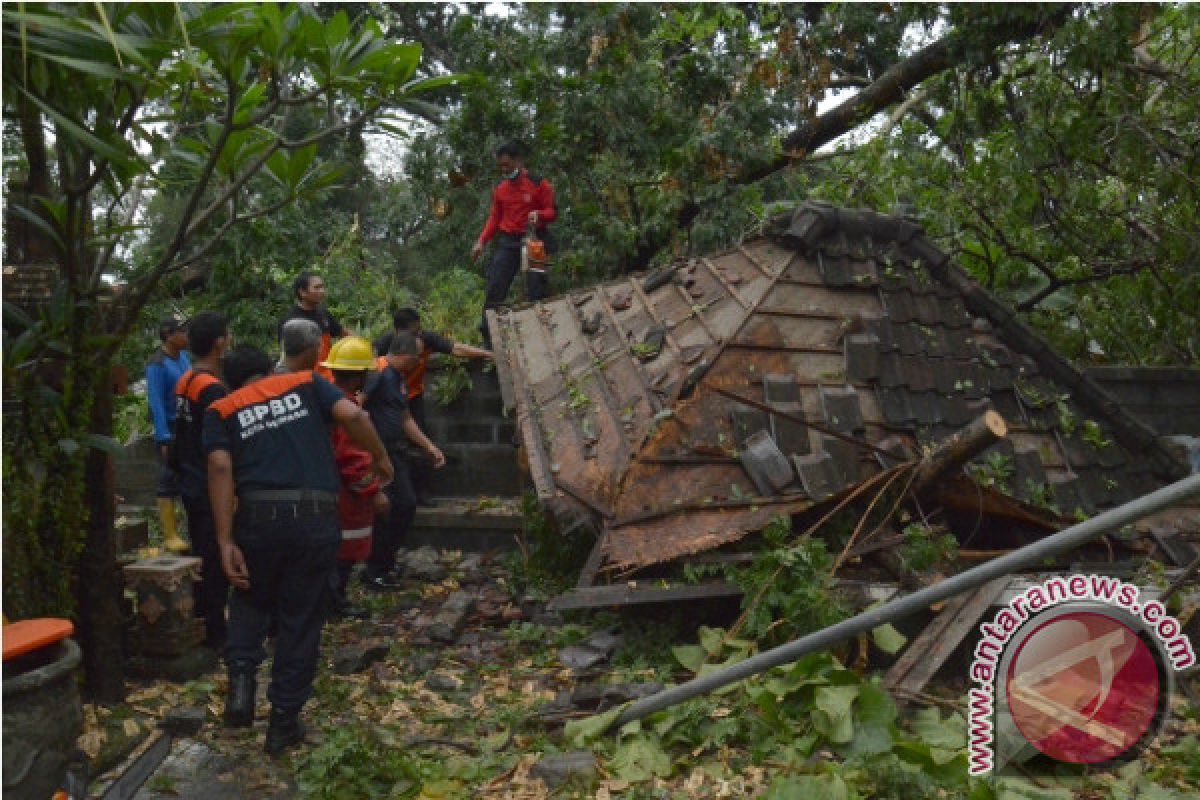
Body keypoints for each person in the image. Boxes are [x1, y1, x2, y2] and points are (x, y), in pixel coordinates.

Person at [205, 346, 393, 755]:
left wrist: (225, 541)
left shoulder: (221, 409)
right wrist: (381, 459)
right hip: (314, 517)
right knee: (300, 619)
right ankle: (282, 724)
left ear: (234, 380)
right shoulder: (308, 383)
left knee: (250, 598)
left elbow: (220, 468)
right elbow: (355, 416)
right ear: (266, 370)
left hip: (257, 519)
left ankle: (241, 684)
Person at [374, 308, 493, 505]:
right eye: (413, 332)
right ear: (398, 334)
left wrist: (488, 354)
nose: (418, 336)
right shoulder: (384, 347)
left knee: (421, 441)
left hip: (412, 397)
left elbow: (456, 348)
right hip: (389, 400)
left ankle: (421, 492)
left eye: (419, 330)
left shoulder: (425, 338)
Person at [361, 330, 445, 590]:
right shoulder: (378, 373)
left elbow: (405, 418)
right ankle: (375, 569)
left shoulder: (399, 379)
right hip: (379, 453)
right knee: (389, 508)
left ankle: (385, 562)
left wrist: (429, 446)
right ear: (404, 354)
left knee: (406, 504)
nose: (420, 362)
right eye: (417, 356)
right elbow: (357, 408)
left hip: (395, 452)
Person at [172, 312, 231, 649]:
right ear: (219, 343)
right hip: (208, 484)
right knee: (213, 554)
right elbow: (218, 446)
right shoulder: (212, 389)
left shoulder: (187, 380)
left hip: (190, 481)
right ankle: (214, 630)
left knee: (202, 550)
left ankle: (203, 619)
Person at [321, 337, 389, 619]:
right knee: (343, 553)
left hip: (329, 490)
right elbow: (354, 461)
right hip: (347, 497)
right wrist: (375, 492)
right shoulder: (347, 411)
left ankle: (332, 603)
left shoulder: (328, 400)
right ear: (360, 375)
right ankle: (334, 606)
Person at [469, 140, 557, 345]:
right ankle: (488, 336)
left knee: (536, 287)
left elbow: (552, 211)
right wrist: (481, 241)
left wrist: (540, 215)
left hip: (534, 238)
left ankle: (539, 334)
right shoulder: (500, 188)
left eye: (507, 165)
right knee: (496, 284)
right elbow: (494, 218)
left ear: (518, 161)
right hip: (509, 242)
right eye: (501, 166)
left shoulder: (538, 183)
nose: (504, 169)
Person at [146, 315, 191, 553]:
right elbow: (156, 403)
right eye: (181, 332)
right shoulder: (157, 364)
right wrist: (163, 437)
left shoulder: (184, 357)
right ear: (168, 336)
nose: (186, 337)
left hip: (187, 423)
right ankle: (169, 534)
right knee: (168, 477)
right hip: (171, 428)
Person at [278, 271, 344, 377]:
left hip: (329, 376)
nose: (322, 291)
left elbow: (343, 333)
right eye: (317, 288)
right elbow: (286, 356)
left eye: (322, 287)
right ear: (302, 292)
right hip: (307, 379)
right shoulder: (291, 321)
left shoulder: (324, 314)